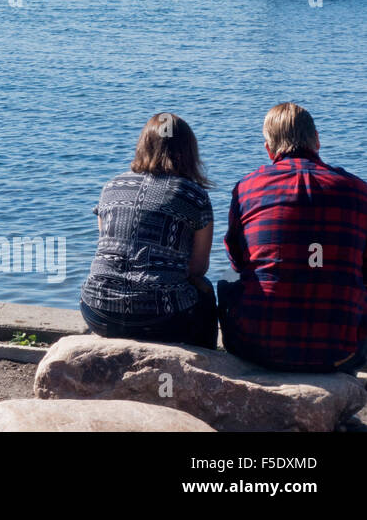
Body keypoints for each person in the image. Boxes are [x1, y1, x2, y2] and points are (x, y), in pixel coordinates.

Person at [218, 103, 367, 373]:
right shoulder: (359, 191)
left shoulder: (247, 188)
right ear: (317, 140)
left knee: (230, 277)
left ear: (268, 148)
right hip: (341, 350)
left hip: (258, 345)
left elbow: (237, 260)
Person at [80, 113, 217, 348]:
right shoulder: (194, 196)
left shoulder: (112, 186)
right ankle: (206, 362)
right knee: (205, 291)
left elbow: (105, 248)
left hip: (97, 310)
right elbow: (198, 267)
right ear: (188, 150)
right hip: (161, 319)